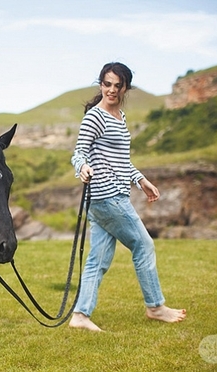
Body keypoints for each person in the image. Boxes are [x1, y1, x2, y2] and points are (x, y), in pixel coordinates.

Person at [69, 62, 186, 331]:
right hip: (107, 196)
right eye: (107, 84)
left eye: (117, 85)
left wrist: (141, 179)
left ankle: (80, 316)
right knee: (143, 245)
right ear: (100, 84)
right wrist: (82, 167)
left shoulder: (120, 117)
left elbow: (122, 161)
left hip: (108, 198)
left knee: (97, 260)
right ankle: (155, 307)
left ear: (125, 88)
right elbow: (78, 153)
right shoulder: (94, 118)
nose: (111, 89)